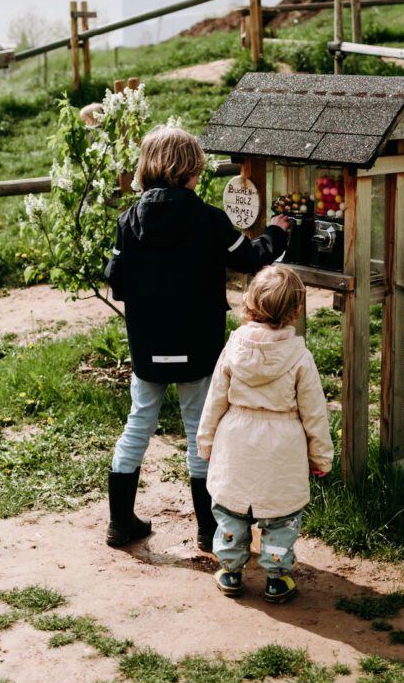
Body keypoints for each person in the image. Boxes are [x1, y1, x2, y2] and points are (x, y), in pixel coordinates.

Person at [103, 126, 289, 552]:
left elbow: (116, 282)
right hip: (197, 346)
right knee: (198, 432)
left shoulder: (128, 221)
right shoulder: (209, 220)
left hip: (148, 346)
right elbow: (252, 259)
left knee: (137, 425)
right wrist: (277, 231)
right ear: (191, 171)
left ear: (147, 169)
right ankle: (209, 530)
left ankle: (119, 524)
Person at [196, 263, 334, 604]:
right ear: (296, 311)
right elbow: (314, 413)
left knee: (230, 511)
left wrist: (207, 443)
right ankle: (276, 578)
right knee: (281, 516)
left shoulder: (232, 349)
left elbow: (214, 400)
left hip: (235, 441)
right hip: (281, 446)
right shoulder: (300, 357)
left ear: (249, 303)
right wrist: (320, 457)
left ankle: (230, 571)